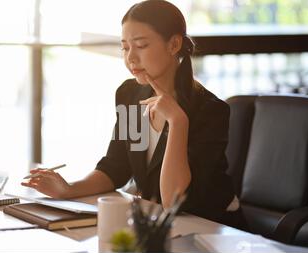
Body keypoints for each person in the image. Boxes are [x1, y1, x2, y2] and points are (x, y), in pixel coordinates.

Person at [22, 0, 240, 224]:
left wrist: (177, 121)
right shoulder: (130, 95)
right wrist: (68, 190)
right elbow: (115, 168)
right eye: (125, 47)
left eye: (141, 45)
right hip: (156, 224)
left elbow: (173, 200)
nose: (130, 57)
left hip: (212, 227)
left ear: (174, 44)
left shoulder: (210, 111)